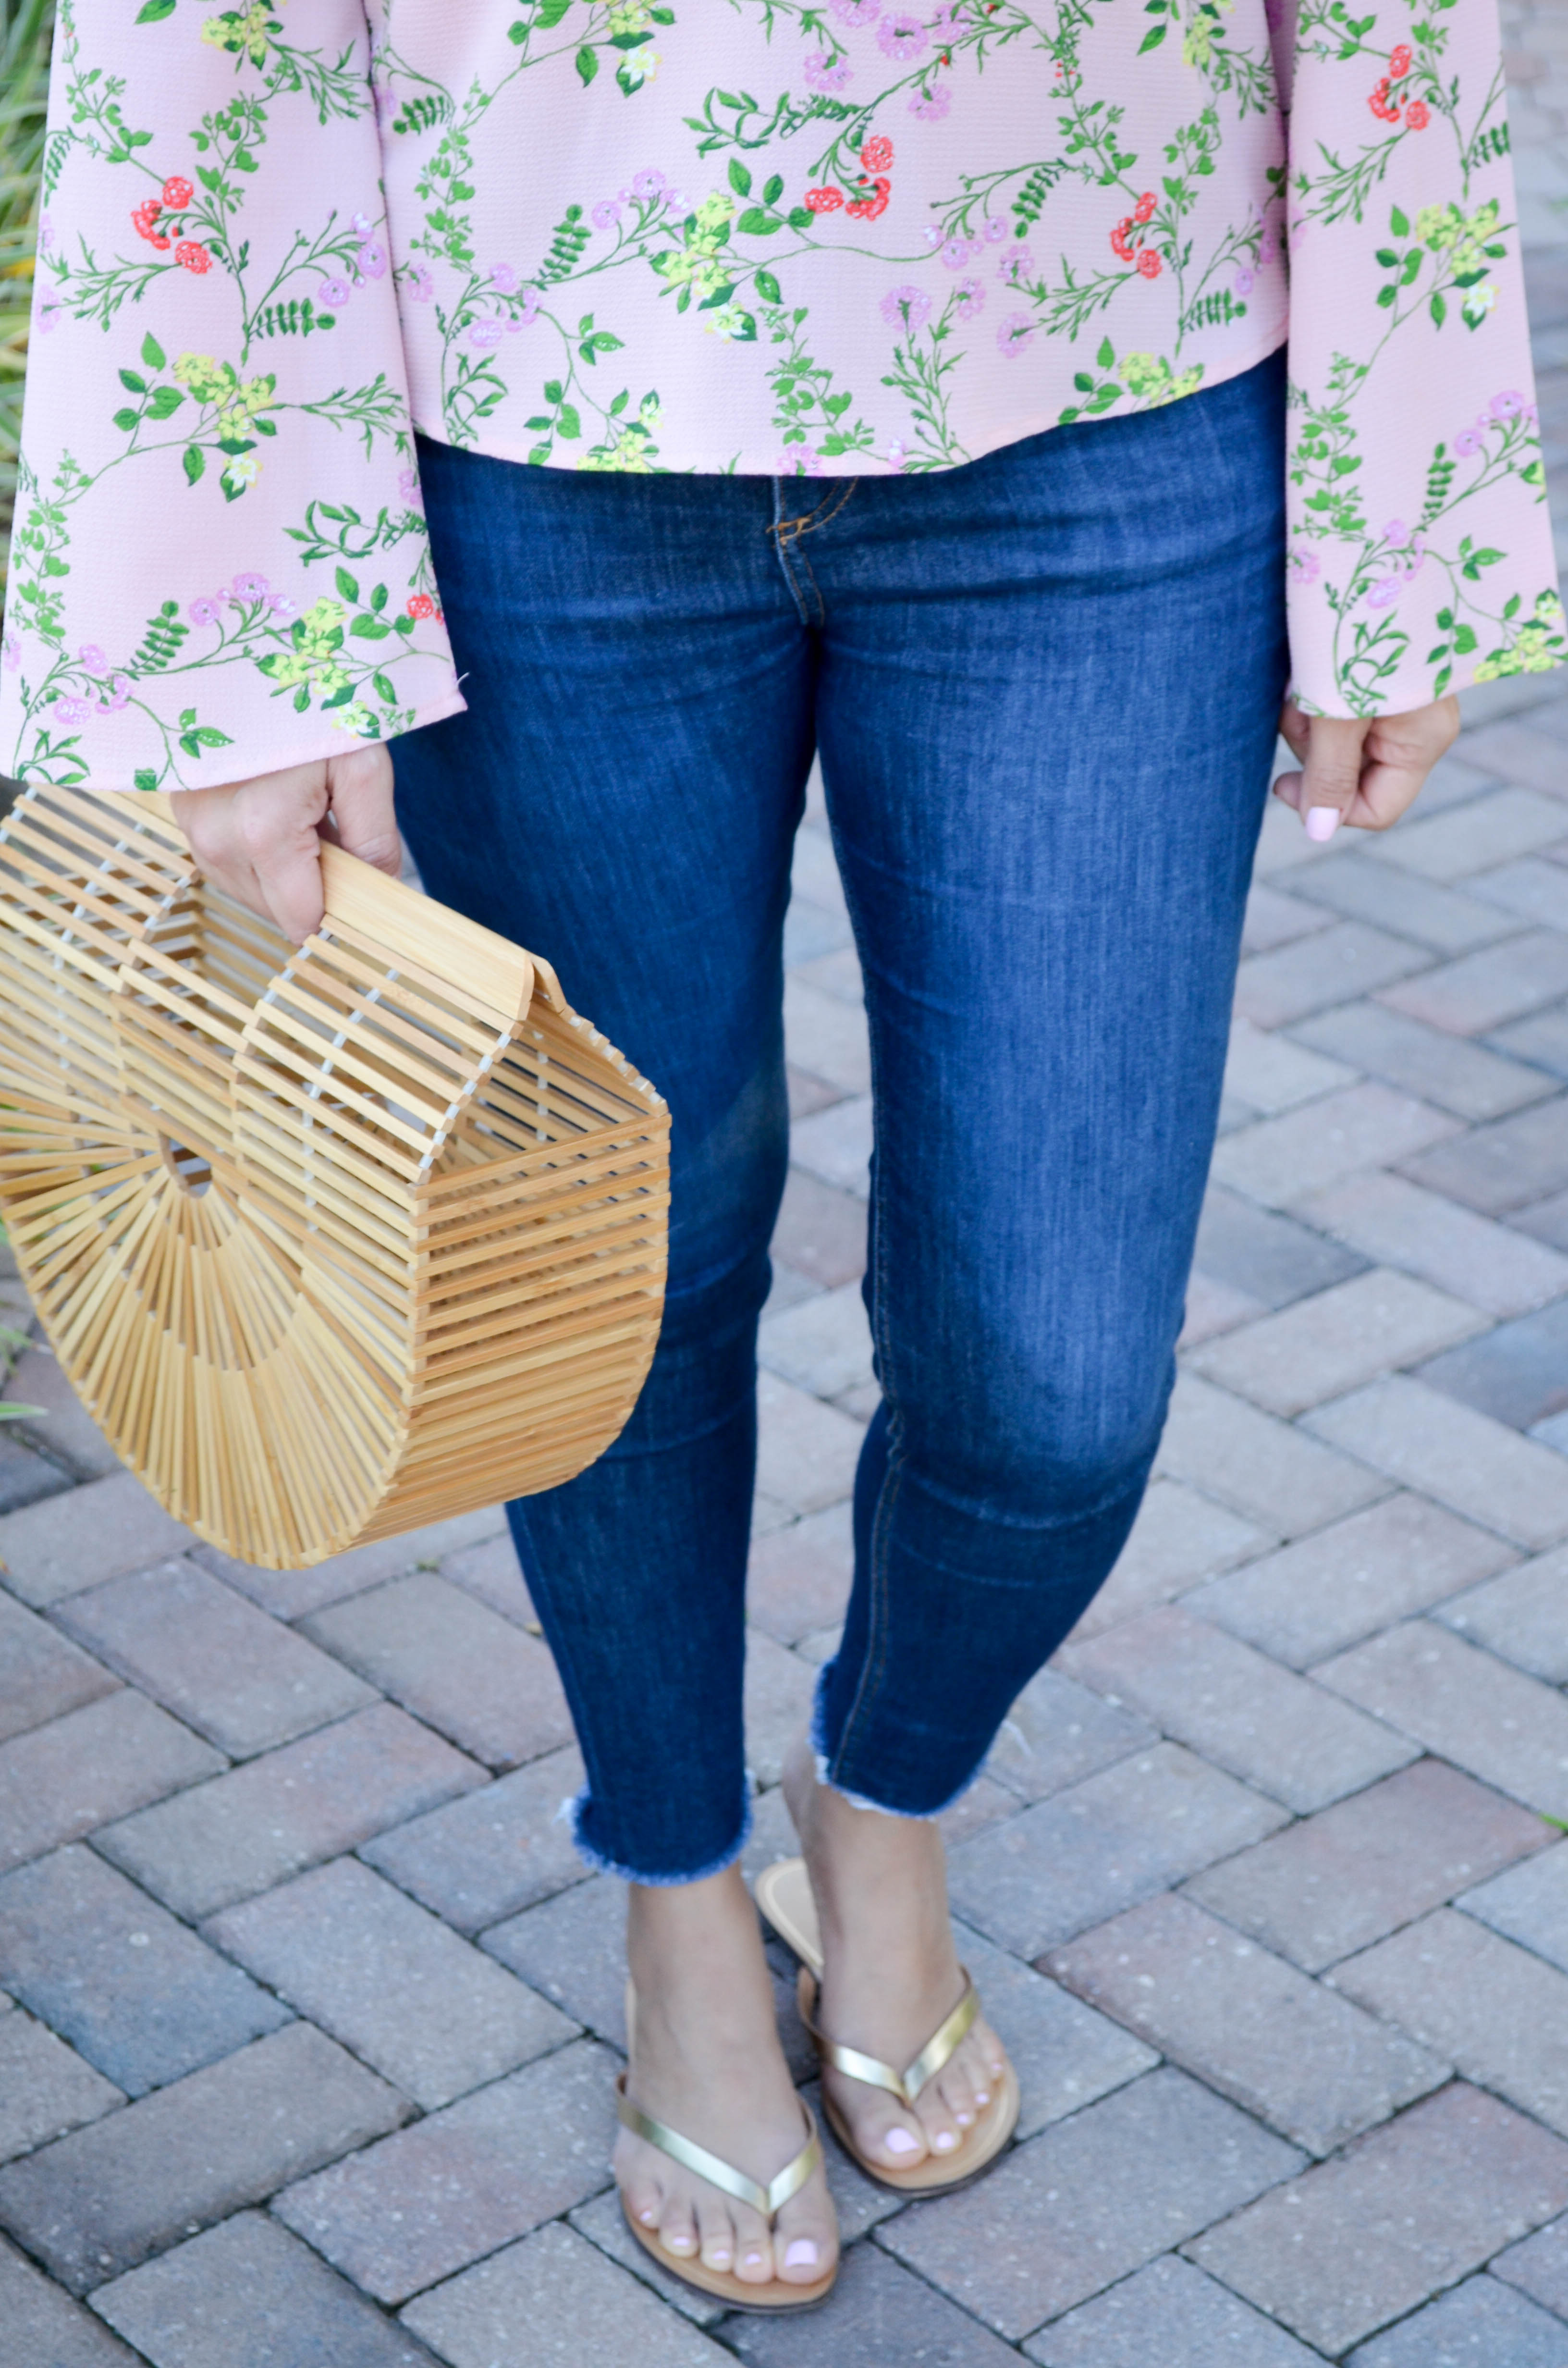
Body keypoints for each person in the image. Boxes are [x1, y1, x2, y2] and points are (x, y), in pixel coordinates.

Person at [7, 0, 1559, 2315]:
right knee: (619, 1277)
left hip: (1106, 369)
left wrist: (1411, 491)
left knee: (1058, 1370)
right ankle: (673, 1876)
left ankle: (884, 1790)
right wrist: (228, 606)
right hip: (517, 384)